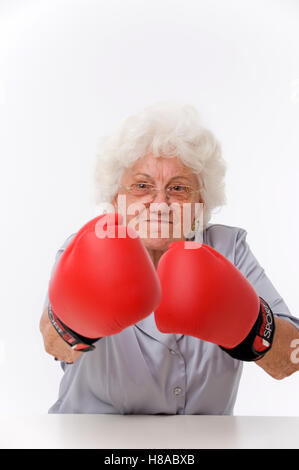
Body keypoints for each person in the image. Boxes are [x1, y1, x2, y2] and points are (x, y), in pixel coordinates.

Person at [40, 101, 299, 414]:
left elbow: (292, 357)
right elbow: (54, 345)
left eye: (178, 188)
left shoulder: (229, 249)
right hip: (94, 442)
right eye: (142, 186)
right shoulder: (88, 247)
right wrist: (78, 321)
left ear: (200, 201)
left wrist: (250, 325)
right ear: (115, 197)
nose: (160, 203)